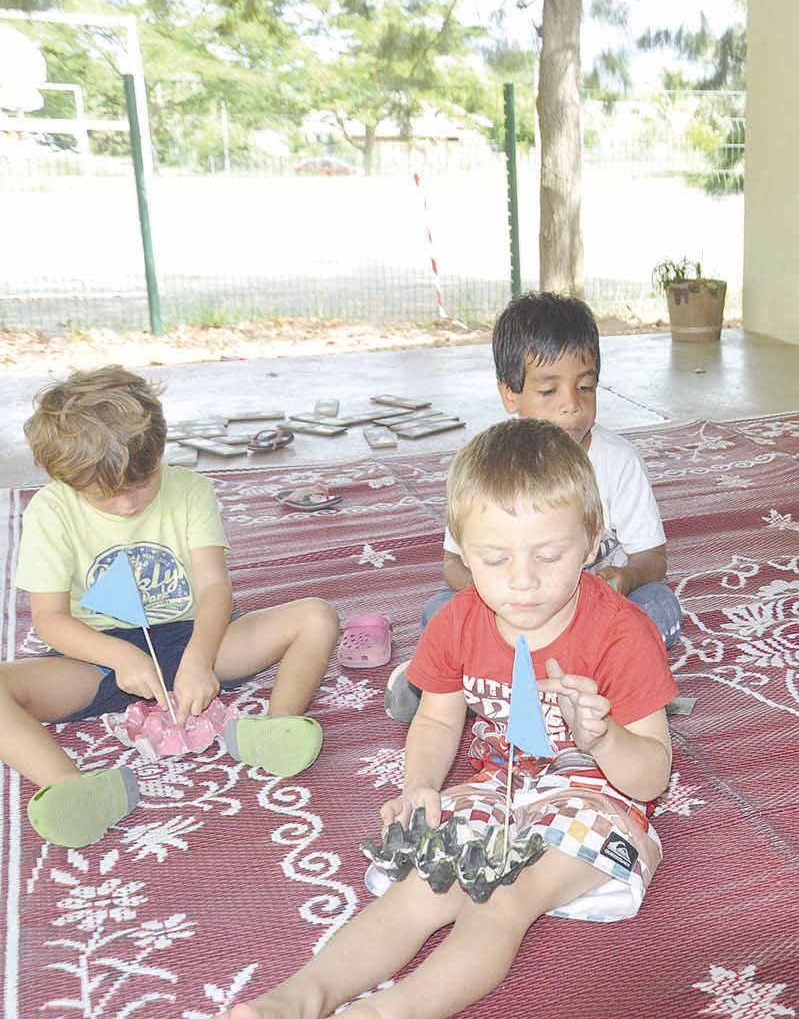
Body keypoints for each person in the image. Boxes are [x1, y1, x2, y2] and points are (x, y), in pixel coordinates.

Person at [226, 419, 677, 1019]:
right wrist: (419, 786)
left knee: (502, 899)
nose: (522, 580)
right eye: (495, 558)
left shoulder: (623, 633)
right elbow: (438, 722)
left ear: (593, 541)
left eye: (549, 554)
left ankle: (392, 1012)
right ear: (462, 552)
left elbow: (651, 778)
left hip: (598, 800)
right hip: (496, 786)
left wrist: (605, 736)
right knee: (426, 882)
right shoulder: (457, 622)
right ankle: (301, 996)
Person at [3, 366, 337, 848]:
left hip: (193, 638)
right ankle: (71, 788)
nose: (125, 505)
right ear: (65, 478)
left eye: (139, 484)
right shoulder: (51, 511)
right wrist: (121, 658)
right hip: (96, 655)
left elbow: (214, 589)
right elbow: (51, 620)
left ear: (159, 452)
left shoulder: (190, 490)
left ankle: (272, 730)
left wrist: (200, 658)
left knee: (316, 616)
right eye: (103, 494)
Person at [386, 291, 679, 723]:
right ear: (510, 394)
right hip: (510, 613)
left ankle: (499, 686)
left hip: (591, 620)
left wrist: (625, 577)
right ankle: (455, 682)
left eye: (585, 387)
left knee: (659, 606)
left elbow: (652, 558)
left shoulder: (619, 463)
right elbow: (454, 564)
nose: (571, 405)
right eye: (548, 390)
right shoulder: (485, 468)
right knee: (441, 611)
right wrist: (500, 594)